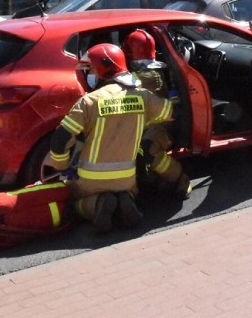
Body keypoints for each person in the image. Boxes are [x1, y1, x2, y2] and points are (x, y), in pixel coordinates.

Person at [45, 43, 174, 232]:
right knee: (125, 191)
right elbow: (169, 113)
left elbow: (60, 139)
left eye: (92, 69)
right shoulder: (143, 97)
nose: (90, 74)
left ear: (104, 68)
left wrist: (62, 166)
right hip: (127, 178)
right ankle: (125, 200)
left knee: (74, 203)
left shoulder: (89, 102)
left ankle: (98, 204)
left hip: (90, 180)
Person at [122, 29, 192, 198]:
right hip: (145, 123)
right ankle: (151, 180)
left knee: (148, 148)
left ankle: (181, 180)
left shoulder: (147, 76)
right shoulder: (151, 71)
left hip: (163, 125)